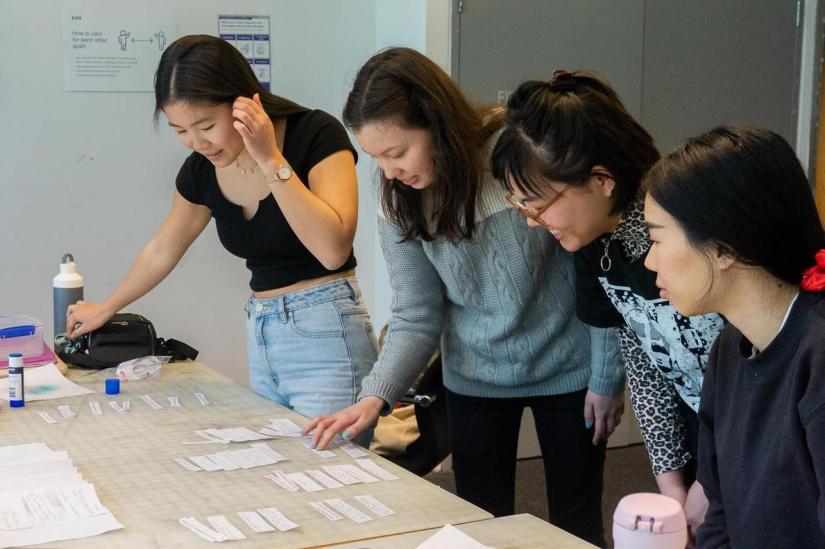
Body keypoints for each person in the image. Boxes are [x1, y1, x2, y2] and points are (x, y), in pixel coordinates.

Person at [305, 47, 624, 547]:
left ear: (436, 123)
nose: (388, 171)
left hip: (571, 369)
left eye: (397, 152)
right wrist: (375, 395)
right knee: (479, 525)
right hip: (475, 378)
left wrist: (607, 376)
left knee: (576, 523)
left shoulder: (516, 158)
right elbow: (415, 316)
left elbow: (596, 270)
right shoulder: (401, 200)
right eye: (376, 158)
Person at [65, 35, 378, 438]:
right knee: (284, 475)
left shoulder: (314, 134)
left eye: (207, 126)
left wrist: (270, 159)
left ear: (246, 104)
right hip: (263, 332)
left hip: (327, 331)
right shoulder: (200, 171)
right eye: (180, 130)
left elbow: (332, 249)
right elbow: (163, 248)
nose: (197, 143)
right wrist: (107, 307)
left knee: (336, 479)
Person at [490, 70, 725, 534]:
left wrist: (713, 480)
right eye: (520, 206)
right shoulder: (595, 241)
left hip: (757, 427)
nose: (533, 222)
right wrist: (671, 482)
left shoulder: (683, 232)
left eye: (537, 204)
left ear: (602, 180)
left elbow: (750, 368)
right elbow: (644, 359)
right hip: (702, 427)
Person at [644, 124, 825, 548]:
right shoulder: (732, 346)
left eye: (656, 238)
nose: (650, 261)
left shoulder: (818, 355)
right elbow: (721, 512)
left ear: (725, 247)